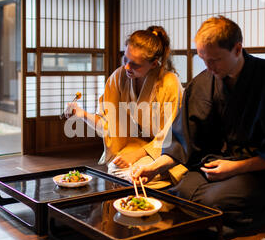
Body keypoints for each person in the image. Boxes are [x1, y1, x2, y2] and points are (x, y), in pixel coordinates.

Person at [132, 16, 265, 229]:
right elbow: (187, 137)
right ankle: (228, 214)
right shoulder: (204, 81)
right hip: (219, 165)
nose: (209, 67)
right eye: (203, 59)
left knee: (210, 202)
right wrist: (153, 168)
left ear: (237, 49)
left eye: (215, 60)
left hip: (262, 170)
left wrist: (235, 168)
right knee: (178, 193)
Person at [65, 26, 184, 189]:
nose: (127, 67)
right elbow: (108, 125)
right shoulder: (119, 77)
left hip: (166, 149)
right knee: (117, 167)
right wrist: (81, 114)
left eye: (135, 64)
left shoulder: (170, 83)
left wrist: (136, 155)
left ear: (154, 64)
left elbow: (169, 135)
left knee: (139, 173)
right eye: (125, 60)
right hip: (139, 143)